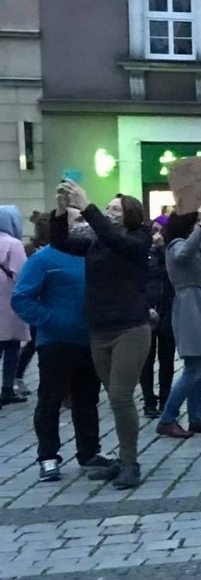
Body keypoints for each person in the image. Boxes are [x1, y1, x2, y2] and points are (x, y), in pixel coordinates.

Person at [54, 183, 153, 489]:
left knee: (122, 396)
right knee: (113, 397)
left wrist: (87, 206)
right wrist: (60, 209)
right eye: (107, 208)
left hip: (130, 328)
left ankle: (130, 464)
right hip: (100, 329)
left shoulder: (139, 239)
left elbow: (115, 240)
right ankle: (123, 460)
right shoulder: (95, 241)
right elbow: (60, 242)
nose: (109, 213)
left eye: (115, 209)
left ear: (130, 215)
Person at [10, 209, 106, 481]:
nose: (83, 225)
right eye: (77, 220)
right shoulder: (44, 259)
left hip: (90, 339)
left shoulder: (93, 254)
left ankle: (89, 452)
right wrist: (49, 320)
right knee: (50, 400)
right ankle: (48, 457)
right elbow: (22, 298)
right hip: (56, 342)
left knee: (87, 399)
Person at [155, 210, 201, 442]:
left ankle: (197, 416)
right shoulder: (175, 244)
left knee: (200, 361)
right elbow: (182, 256)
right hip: (190, 305)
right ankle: (167, 418)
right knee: (193, 367)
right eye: (198, 222)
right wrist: (200, 229)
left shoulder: (197, 243)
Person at [139, 223, 176, 418]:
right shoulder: (141, 253)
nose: (157, 235)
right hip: (147, 309)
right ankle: (148, 400)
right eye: (154, 230)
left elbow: (173, 273)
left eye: (161, 230)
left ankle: (165, 397)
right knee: (147, 358)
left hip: (167, 308)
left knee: (167, 358)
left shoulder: (169, 252)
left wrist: (162, 249)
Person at [0, 206, 30, 405]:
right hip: (7, 302)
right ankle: (7, 389)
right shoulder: (13, 244)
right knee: (11, 346)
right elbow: (23, 274)